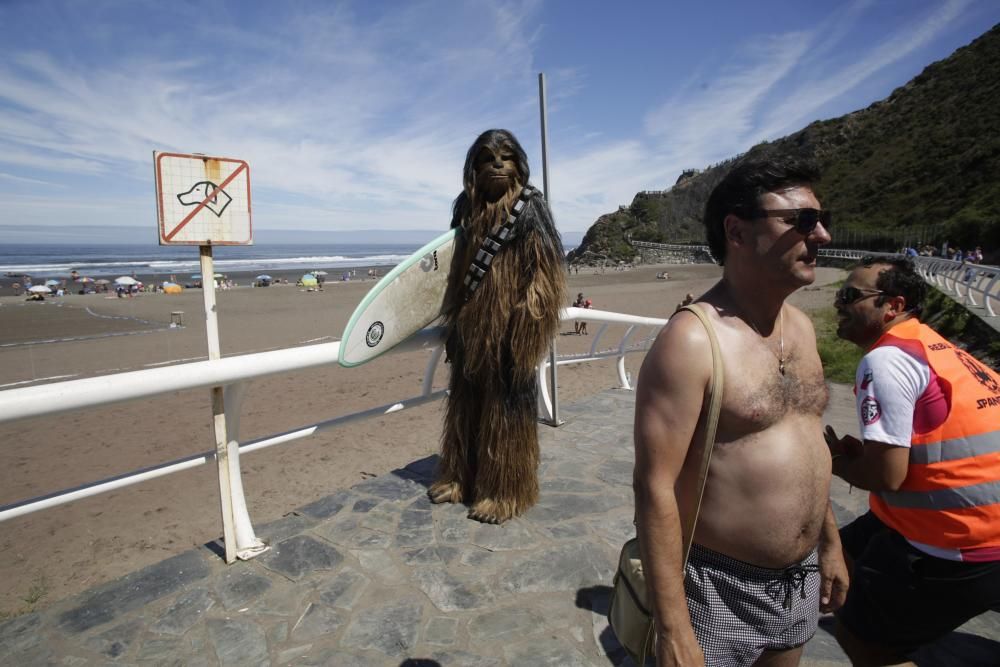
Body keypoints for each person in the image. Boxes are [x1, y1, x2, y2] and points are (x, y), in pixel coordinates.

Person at [633, 154, 847, 666]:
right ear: (737, 231)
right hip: (717, 586)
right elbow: (653, 487)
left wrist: (829, 543)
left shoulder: (800, 327)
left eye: (821, 219)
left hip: (798, 581)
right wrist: (672, 627)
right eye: (801, 221)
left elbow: (805, 442)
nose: (822, 236)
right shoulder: (691, 341)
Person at [824, 256, 1000, 666]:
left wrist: (836, 461)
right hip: (980, 518)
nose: (839, 304)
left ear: (893, 306)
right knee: (845, 549)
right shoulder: (942, 350)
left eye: (850, 296)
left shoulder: (886, 361)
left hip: (958, 541)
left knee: (861, 640)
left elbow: (886, 475)